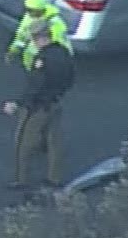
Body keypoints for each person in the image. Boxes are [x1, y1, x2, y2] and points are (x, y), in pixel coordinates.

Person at [4, 23, 75, 190]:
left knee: (24, 142)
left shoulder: (42, 59)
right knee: (54, 141)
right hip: (56, 102)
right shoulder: (63, 52)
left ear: (40, 38)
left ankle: (22, 179)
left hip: (39, 107)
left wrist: (17, 104)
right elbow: (71, 78)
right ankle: (55, 178)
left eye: (34, 39)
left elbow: (35, 86)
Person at [7, 0, 70, 67]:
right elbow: (22, 36)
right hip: (33, 66)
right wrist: (13, 51)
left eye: (30, 10)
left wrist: (42, 59)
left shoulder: (56, 23)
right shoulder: (29, 17)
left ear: (39, 9)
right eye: (27, 9)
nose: (28, 13)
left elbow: (56, 47)